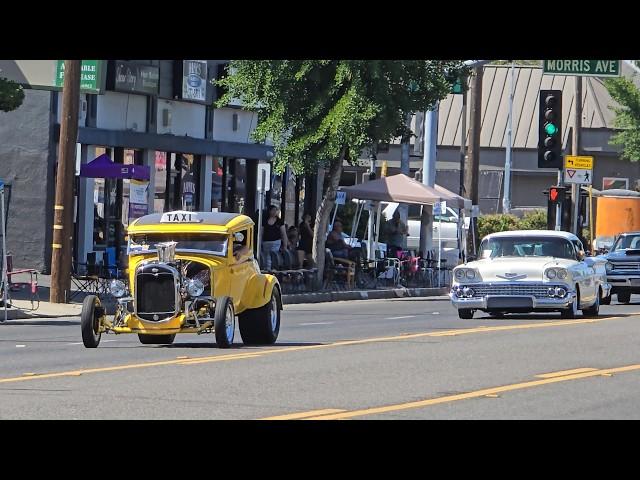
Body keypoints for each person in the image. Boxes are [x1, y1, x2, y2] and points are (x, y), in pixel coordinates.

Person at [261, 205, 288, 270]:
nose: (274, 212)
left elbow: (283, 233)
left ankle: (273, 268)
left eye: (276, 210)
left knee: (274, 255)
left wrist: (285, 245)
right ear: (269, 211)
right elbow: (261, 232)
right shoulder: (264, 221)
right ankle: (267, 269)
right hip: (266, 242)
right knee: (266, 256)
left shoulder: (279, 221)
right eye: (273, 210)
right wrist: (260, 242)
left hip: (276, 242)